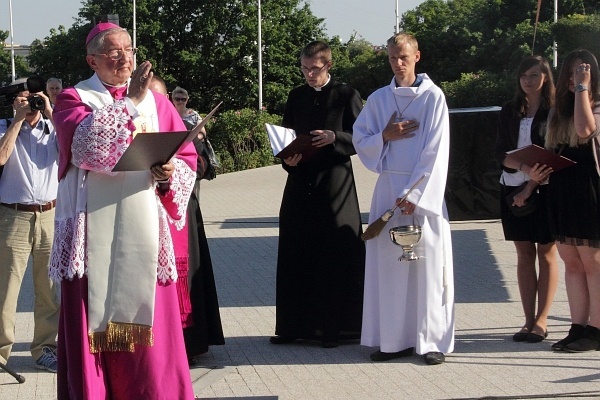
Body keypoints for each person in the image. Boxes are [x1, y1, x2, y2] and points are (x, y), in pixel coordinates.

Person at [50, 22, 197, 398]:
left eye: (129, 50)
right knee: (91, 336)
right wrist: (129, 102)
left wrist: (167, 174)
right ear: (92, 60)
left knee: (152, 348)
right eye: (113, 52)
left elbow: (186, 159)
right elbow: (84, 149)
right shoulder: (73, 98)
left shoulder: (160, 103)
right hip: (90, 243)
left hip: (144, 236)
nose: (124, 58)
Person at [352, 33, 454, 365]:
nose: (398, 63)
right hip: (388, 193)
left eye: (404, 57)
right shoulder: (378, 99)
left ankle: (431, 342)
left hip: (423, 193)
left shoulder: (434, 98)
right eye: (393, 57)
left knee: (427, 267)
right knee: (390, 268)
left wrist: (416, 194)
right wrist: (386, 134)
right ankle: (393, 340)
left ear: (417, 57)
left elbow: (436, 151)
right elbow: (360, 139)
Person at [270, 40, 365, 348]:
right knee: (296, 251)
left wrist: (335, 137)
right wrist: (288, 159)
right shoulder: (295, 96)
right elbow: (286, 136)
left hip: (335, 183)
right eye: (304, 68)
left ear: (329, 66)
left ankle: (334, 330)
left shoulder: (346, 95)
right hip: (301, 182)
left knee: (333, 254)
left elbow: (364, 137)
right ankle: (292, 327)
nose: (309, 74)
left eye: (315, 68)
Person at [150, 75, 225, 364]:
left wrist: (173, 172)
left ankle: (188, 342)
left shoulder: (182, 126)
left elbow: (200, 164)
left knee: (186, 277)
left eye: (162, 97)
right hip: (146, 214)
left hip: (180, 212)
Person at [495, 55, 558, 343]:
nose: (528, 80)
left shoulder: (555, 111)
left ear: (545, 78)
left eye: (534, 75)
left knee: (546, 254)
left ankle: (542, 321)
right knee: (523, 256)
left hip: (545, 190)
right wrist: (520, 170)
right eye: (524, 75)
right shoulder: (509, 110)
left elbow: (553, 154)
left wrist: (529, 187)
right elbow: (500, 153)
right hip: (511, 186)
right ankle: (527, 320)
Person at [0, 82, 60, 373]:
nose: (29, 105)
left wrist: (51, 111)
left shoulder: (52, 130)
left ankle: (45, 348)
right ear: (13, 103)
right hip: (14, 217)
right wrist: (16, 121)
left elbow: (73, 153)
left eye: (33, 101)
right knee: (6, 288)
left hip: (50, 214)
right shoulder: (3, 126)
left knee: (48, 289)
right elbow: (0, 156)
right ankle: (0, 353)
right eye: (23, 100)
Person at [544, 49, 600, 352]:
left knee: (593, 262)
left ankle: (597, 329)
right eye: (570, 72)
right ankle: (578, 326)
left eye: (582, 71)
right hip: (563, 188)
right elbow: (554, 147)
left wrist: (583, 89)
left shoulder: (595, 105)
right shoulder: (558, 111)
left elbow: (585, 129)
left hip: (590, 188)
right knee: (572, 260)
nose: (573, 77)